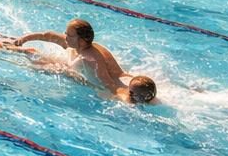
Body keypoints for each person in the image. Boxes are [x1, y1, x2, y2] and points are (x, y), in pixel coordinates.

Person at [10, 19, 157, 103]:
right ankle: (14, 48)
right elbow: (47, 35)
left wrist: (124, 97)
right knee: (40, 59)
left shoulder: (93, 58)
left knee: (39, 63)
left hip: (115, 81)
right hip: (108, 74)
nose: (65, 37)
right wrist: (24, 39)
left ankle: (10, 51)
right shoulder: (74, 43)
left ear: (82, 40)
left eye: (70, 35)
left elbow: (108, 83)